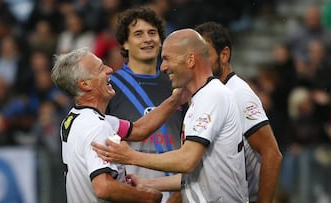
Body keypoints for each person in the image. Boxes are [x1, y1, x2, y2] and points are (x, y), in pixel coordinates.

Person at [92, 29, 249, 203]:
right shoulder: (198, 98)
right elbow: (198, 173)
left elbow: (187, 160)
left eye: (167, 58)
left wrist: (132, 157)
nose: (163, 67)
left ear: (190, 60)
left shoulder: (213, 96)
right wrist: (147, 182)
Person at [50, 47, 190, 202]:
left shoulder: (75, 118)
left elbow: (139, 130)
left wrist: (175, 99)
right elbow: (103, 187)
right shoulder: (96, 127)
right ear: (85, 84)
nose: (110, 70)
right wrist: (148, 197)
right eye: (101, 69)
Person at [195, 21, 283, 203]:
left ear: (224, 55)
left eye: (205, 54)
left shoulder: (239, 94)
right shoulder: (207, 95)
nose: (198, 63)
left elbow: (272, 155)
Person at [106, 7, 186, 202]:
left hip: (176, 193)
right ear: (125, 43)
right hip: (131, 192)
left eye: (152, 33)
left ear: (161, 40)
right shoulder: (110, 86)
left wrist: (179, 193)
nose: (147, 39)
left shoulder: (177, 85)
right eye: (138, 34)